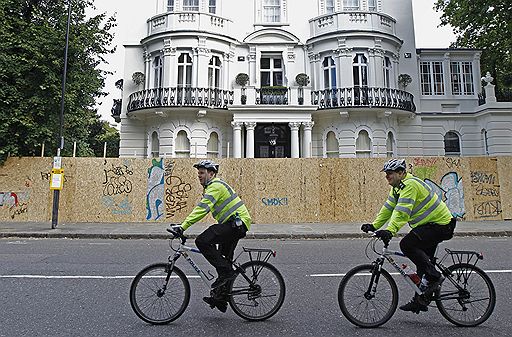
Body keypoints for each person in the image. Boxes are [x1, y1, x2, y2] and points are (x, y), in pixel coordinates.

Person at [361, 158, 456, 314]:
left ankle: (434, 277)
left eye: (390, 173)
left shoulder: (410, 185)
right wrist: (375, 225)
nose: (387, 177)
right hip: (430, 225)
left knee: (407, 245)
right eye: (386, 174)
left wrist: (390, 231)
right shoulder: (397, 188)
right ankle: (420, 301)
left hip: (441, 226)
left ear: (401, 173)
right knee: (423, 262)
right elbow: (389, 208)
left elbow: (402, 212)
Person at [171, 159, 251, 313]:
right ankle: (220, 299)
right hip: (234, 224)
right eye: (198, 173)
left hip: (236, 224)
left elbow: (202, 209)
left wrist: (183, 227)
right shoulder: (212, 187)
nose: (199, 176)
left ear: (211, 173)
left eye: (202, 173)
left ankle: (226, 274)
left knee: (203, 241)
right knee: (224, 261)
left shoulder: (215, 187)